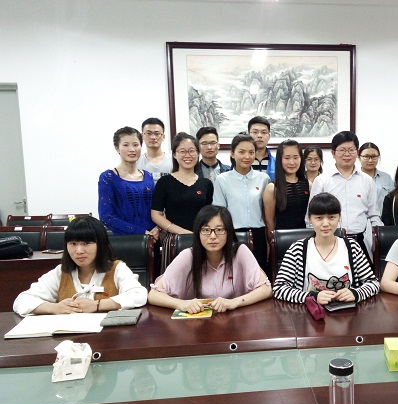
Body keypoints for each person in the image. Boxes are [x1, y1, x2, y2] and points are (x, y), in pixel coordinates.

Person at [148, 206, 271, 313]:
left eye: (219, 230)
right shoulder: (188, 256)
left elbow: (266, 289)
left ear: (228, 232)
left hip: (235, 322)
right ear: (198, 233)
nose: (212, 236)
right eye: (206, 230)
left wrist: (234, 302)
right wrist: (182, 304)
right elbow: (153, 295)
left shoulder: (240, 252)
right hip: (196, 325)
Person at [13, 216, 147, 316]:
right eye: (73, 244)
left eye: (86, 243)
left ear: (100, 244)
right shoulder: (61, 272)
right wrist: (55, 308)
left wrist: (98, 305)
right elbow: (21, 301)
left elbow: (139, 295)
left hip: (109, 337)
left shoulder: (117, 269)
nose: (79, 251)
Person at [273, 193, 379, 304]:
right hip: (310, 312)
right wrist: (311, 297)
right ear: (310, 219)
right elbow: (279, 288)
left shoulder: (352, 247)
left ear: (339, 217)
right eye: (319, 218)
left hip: (347, 311)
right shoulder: (297, 249)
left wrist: (356, 293)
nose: (325, 224)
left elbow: (373, 283)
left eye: (332, 217)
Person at [307, 131, 382, 257]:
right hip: (329, 240)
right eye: (342, 150)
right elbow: (311, 215)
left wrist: (380, 240)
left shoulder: (367, 181)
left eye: (351, 150)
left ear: (357, 153)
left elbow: (374, 216)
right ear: (333, 153)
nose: (347, 154)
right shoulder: (322, 180)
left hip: (360, 241)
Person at [213, 133, 271, 275]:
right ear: (232, 153)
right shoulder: (222, 180)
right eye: (241, 152)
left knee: (259, 274)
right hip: (233, 235)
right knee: (234, 274)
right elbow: (219, 212)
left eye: (251, 152)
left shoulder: (263, 178)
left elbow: (267, 211)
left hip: (259, 235)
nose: (247, 156)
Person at [98, 126, 159, 241]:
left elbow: (156, 209)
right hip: (125, 242)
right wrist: (142, 232)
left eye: (136, 145)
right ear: (117, 148)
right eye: (126, 145)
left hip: (153, 239)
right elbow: (106, 217)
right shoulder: (108, 177)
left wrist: (157, 228)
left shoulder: (148, 176)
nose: (132, 149)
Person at [151, 132, 213, 235]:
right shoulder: (164, 182)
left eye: (192, 151)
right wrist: (182, 232)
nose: (187, 155)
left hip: (201, 237)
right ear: (175, 154)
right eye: (182, 151)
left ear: (198, 153)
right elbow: (156, 214)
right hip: (174, 238)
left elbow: (209, 215)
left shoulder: (206, 183)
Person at [263, 140, 311, 235]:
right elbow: (269, 222)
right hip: (283, 238)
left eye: (296, 157)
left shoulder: (309, 185)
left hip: (306, 237)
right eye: (287, 158)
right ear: (280, 159)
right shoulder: (272, 188)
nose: (292, 162)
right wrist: (273, 241)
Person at [358, 142, 394, 215]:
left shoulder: (386, 178)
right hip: (361, 220)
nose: (370, 160)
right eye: (366, 156)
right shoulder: (354, 178)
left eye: (374, 156)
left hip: (383, 219)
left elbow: (393, 201)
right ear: (359, 157)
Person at [248, 116, 275, 181]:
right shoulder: (242, 161)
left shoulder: (277, 162)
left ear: (269, 136)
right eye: (255, 132)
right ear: (248, 135)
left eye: (264, 132)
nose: (259, 136)